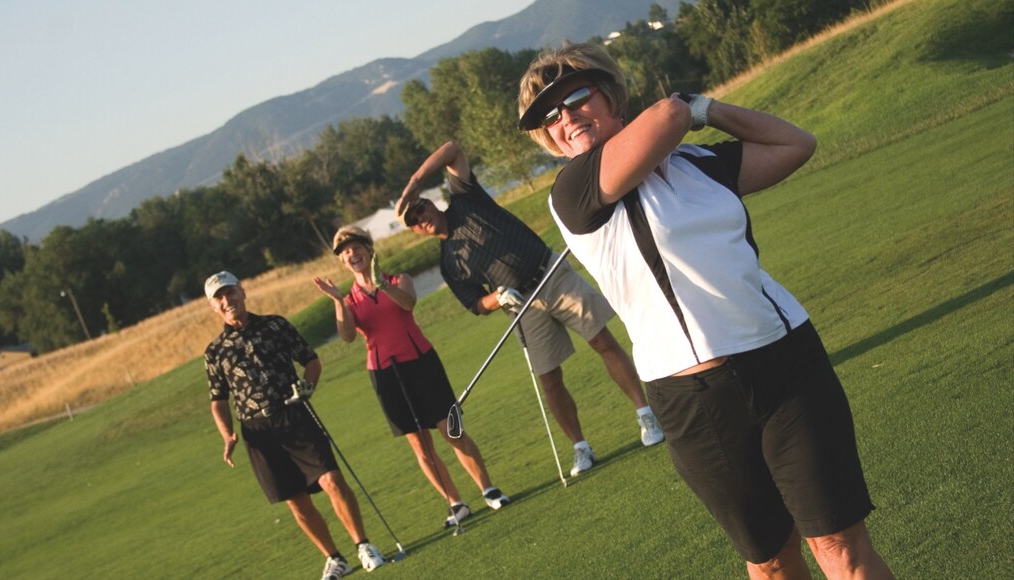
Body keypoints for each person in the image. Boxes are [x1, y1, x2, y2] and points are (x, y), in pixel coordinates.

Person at [517, 42, 893, 578]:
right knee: (771, 564)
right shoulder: (573, 190)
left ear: (611, 95)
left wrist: (708, 109)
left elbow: (796, 142)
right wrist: (685, 109)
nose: (565, 118)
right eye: (549, 117)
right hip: (693, 400)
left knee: (840, 544)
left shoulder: (697, 160)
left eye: (575, 98)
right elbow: (670, 112)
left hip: (786, 360)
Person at [394, 140, 665, 478]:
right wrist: (497, 298)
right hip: (521, 306)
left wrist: (413, 183)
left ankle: (645, 415)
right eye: (414, 221)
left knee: (603, 341)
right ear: (415, 231)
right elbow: (475, 303)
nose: (421, 218)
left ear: (431, 205)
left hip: (549, 273)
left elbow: (453, 149)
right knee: (549, 379)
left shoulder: (464, 198)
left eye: (421, 209)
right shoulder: (450, 263)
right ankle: (581, 447)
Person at [312, 226, 511, 529]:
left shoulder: (398, 280)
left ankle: (488, 488)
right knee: (420, 445)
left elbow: (408, 303)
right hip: (384, 373)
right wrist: (338, 301)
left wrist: (382, 285)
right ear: (342, 262)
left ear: (369, 249)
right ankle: (455, 503)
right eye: (345, 252)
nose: (352, 255)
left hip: (421, 362)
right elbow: (348, 336)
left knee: (452, 430)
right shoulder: (349, 300)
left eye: (356, 247)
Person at [203, 271, 386, 580]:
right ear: (213, 307)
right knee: (294, 499)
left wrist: (308, 387)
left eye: (230, 292)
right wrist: (227, 434)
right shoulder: (215, 351)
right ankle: (334, 558)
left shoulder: (275, 325)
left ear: (242, 291)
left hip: (294, 414)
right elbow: (218, 399)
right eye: (219, 298)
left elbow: (311, 361)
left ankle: (363, 545)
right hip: (258, 430)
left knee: (332, 481)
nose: (227, 301)